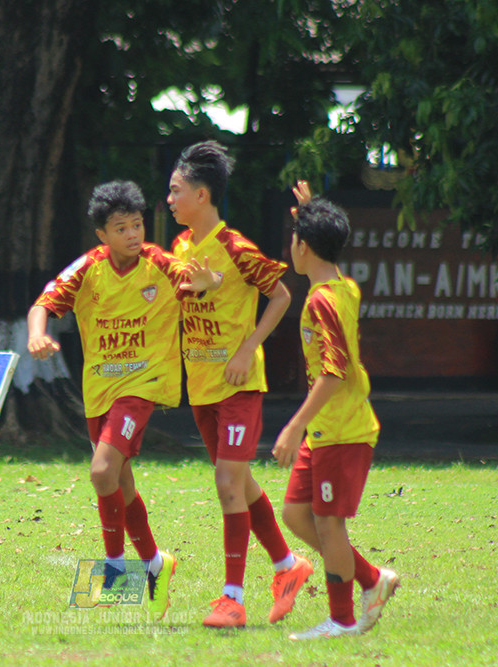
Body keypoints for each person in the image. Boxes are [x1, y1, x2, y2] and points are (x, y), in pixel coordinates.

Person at [28, 180, 220, 621]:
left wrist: (208, 282)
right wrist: (38, 335)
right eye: (121, 228)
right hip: (100, 390)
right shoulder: (88, 269)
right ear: (102, 235)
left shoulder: (159, 264)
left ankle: (114, 569)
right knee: (119, 481)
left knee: (100, 472)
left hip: (143, 386)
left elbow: (200, 281)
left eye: (137, 225)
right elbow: (42, 304)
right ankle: (154, 563)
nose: (133, 234)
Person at [167, 140, 313, 628]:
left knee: (227, 482)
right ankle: (288, 568)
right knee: (242, 483)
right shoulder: (182, 248)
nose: (169, 200)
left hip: (238, 384)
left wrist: (249, 348)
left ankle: (232, 598)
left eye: (176, 191)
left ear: (203, 196)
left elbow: (282, 294)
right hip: (201, 385)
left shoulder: (235, 248)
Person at [271, 182, 399, 640]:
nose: (292, 245)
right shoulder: (342, 285)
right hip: (326, 432)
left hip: (341, 430)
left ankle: (343, 619)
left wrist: (293, 426)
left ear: (302, 246)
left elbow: (334, 372)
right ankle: (370, 579)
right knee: (296, 515)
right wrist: (310, 212)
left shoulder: (323, 300)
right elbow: (326, 247)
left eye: (295, 238)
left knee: (328, 524)